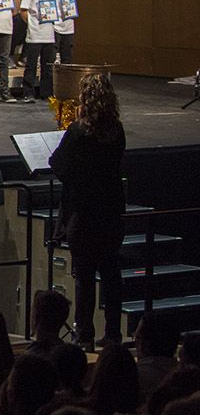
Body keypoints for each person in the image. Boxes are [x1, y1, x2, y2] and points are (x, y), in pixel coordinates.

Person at [49, 73, 126, 348]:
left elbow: (58, 164)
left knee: (84, 278)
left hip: (83, 213)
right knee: (111, 275)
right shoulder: (116, 129)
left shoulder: (79, 131)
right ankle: (114, 334)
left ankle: (85, 336)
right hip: (111, 211)